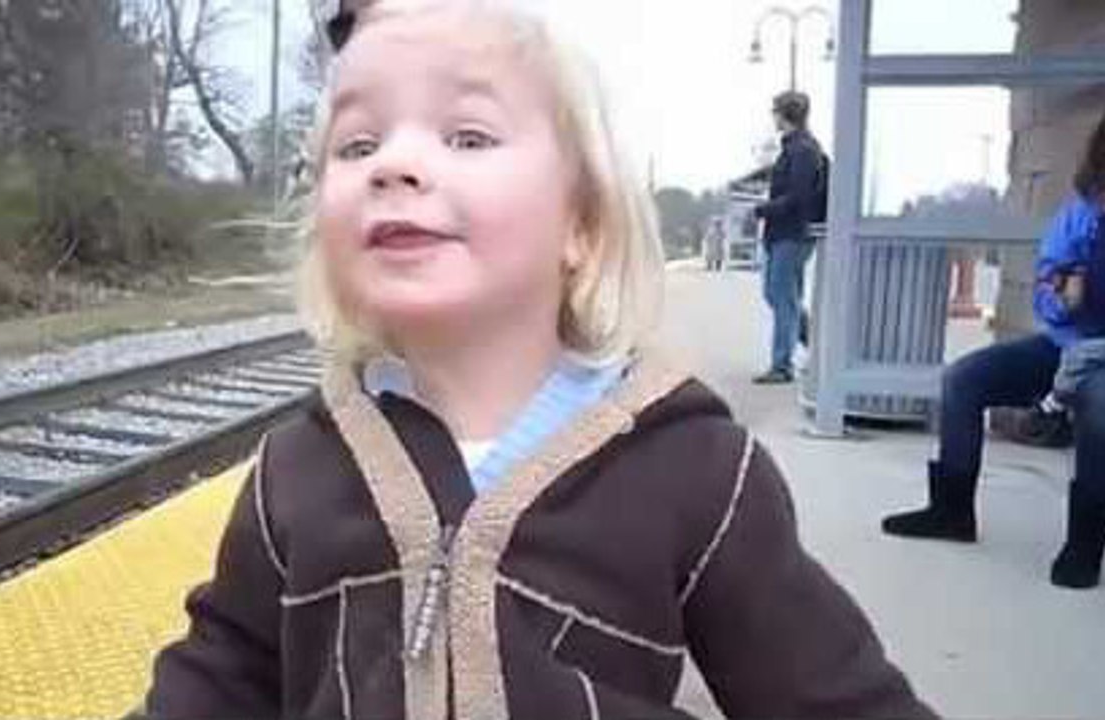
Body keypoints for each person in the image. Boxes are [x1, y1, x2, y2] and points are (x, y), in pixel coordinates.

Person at [140, 2, 935, 718]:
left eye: (468, 136)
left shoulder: (699, 472)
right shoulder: (293, 471)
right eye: (357, 144)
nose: (392, 164)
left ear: (580, 224)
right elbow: (218, 677)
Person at [882, 110, 1105, 590]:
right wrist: (1063, 294)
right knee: (963, 379)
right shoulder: (1082, 214)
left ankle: (1085, 545)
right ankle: (952, 511)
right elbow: (1048, 290)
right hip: (1067, 345)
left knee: (1100, 407)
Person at [752, 91, 828, 384]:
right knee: (780, 295)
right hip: (785, 232)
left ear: (784, 114)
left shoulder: (802, 151)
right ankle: (820, 348)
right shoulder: (797, 147)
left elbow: (798, 197)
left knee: (782, 297)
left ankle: (782, 365)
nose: (773, 117)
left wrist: (763, 209)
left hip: (792, 233)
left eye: (775, 112)